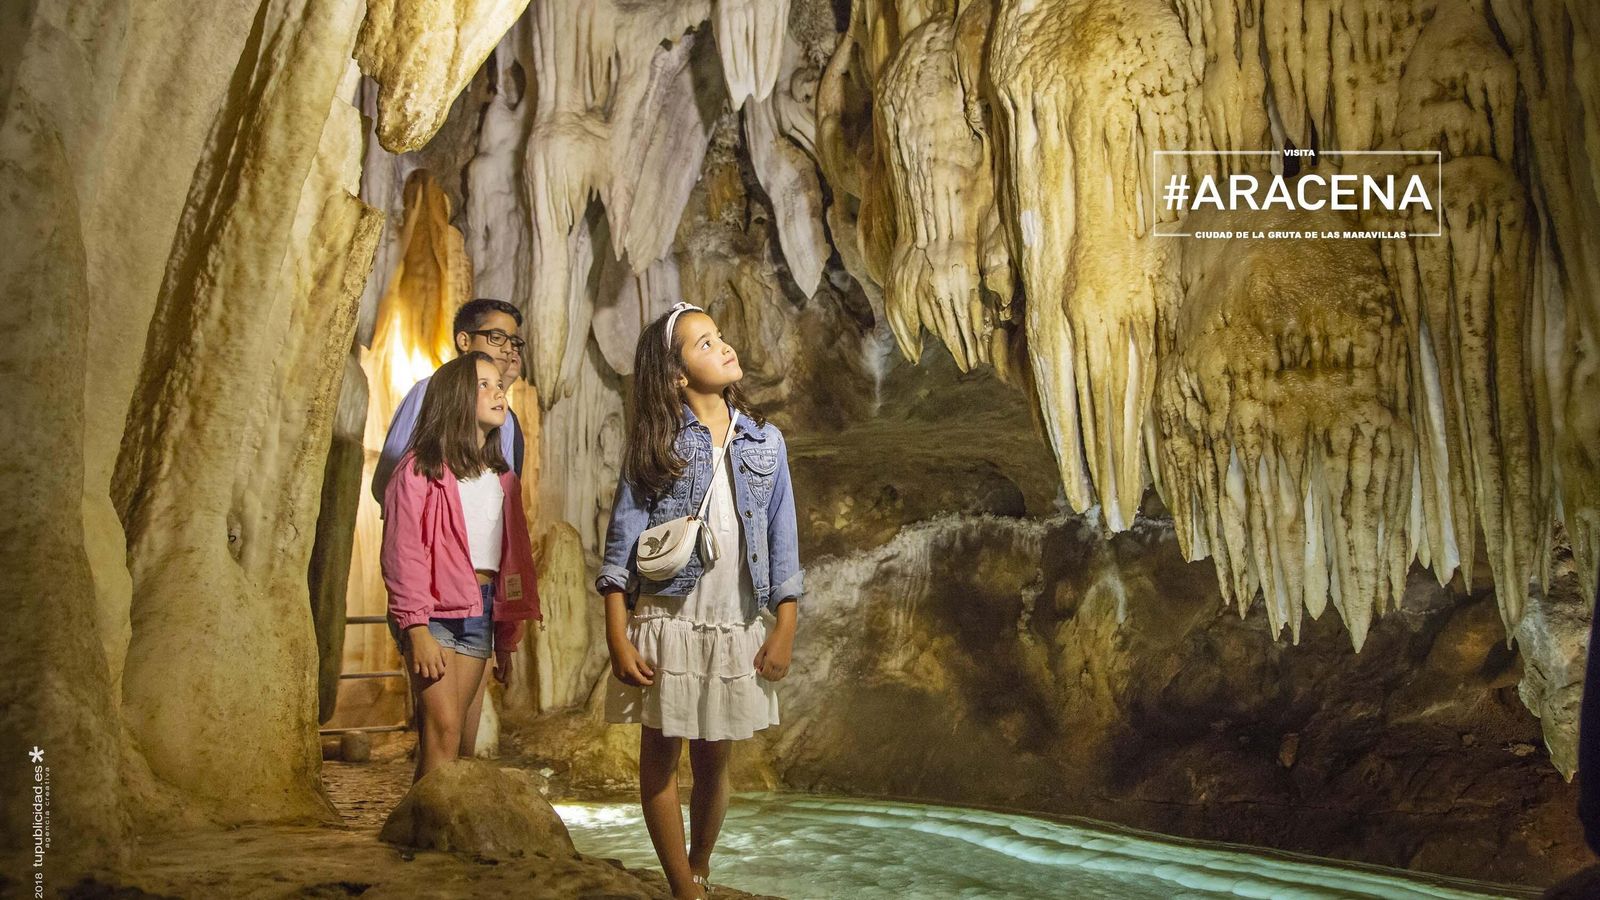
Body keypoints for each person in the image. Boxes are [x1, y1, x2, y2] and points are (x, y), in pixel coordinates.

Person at [597, 301, 802, 900]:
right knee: (660, 758)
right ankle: (682, 887)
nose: (723, 346)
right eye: (704, 343)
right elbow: (620, 547)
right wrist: (617, 635)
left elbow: (784, 543)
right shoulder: (656, 444)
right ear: (676, 375)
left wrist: (784, 627)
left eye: (719, 335)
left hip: (734, 622)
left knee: (716, 760)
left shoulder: (767, 442)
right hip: (668, 620)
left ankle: (701, 866)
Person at [380, 351, 542, 782]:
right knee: (443, 732)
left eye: (499, 385)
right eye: (483, 385)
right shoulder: (419, 470)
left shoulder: (503, 479)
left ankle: (433, 823)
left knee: (462, 743)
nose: (498, 392)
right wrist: (415, 628)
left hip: (479, 610)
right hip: (432, 611)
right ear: (454, 397)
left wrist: (506, 635)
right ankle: (425, 825)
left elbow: (512, 561)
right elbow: (402, 552)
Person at [373, 297, 527, 506]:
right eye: (497, 337)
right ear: (464, 341)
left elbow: (505, 494)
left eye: (513, 341)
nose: (508, 349)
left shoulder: (505, 418)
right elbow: (390, 477)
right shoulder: (428, 392)